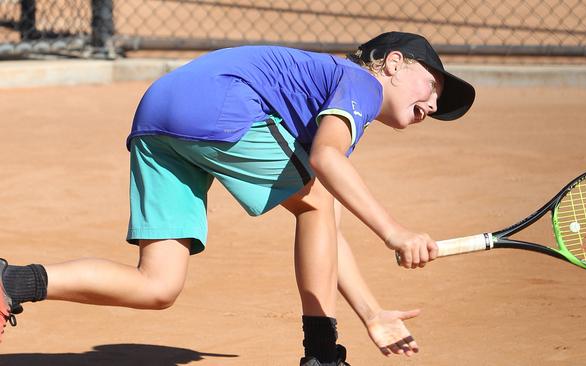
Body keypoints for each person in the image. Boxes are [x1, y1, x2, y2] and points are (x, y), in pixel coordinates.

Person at [0, 31, 475, 365]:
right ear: (393, 64)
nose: (432, 106)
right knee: (316, 200)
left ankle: (11, 282)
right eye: (432, 86)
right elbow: (328, 164)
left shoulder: (328, 90)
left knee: (158, 286)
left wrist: (372, 312)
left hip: (158, 112)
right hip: (216, 102)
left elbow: (323, 227)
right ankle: (322, 355)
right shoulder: (362, 85)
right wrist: (395, 233)